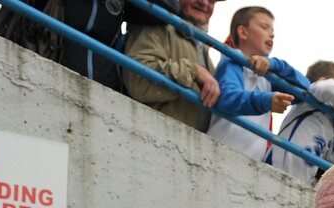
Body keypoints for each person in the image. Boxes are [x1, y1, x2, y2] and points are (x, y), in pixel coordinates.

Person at [206, 6, 308, 160]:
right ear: (243, 32)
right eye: (264, 27)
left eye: (273, 30)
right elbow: (226, 97)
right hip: (219, 153)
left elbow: (307, 89)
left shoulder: (266, 76)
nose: (272, 34)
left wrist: (274, 64)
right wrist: (266, 101)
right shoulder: (232, 60)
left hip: (248, 164)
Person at [123, 0, 224, 132]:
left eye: (212, 0)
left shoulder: (203, 48)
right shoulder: (155, 22)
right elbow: (137, 81)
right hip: (151, 136)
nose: (204, 3)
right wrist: (193, 71)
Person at [264, 60, 334, 185]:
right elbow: (328, 88)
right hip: (274, 174)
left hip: (294, 184)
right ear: (322, 80)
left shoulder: (327, 125)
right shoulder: (309, 98)